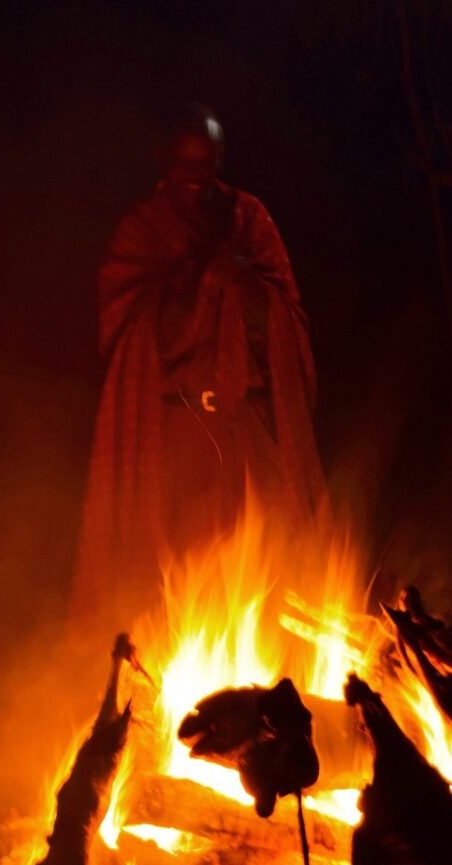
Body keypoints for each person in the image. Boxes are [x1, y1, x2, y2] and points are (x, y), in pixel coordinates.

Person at [72, 105, 326, 621]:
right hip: (177, 432)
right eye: (186, 170)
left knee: (265, 561)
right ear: (163, 164)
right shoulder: (143, 229)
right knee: (179, 573)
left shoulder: (249, 219)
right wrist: (197, 282)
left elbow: (287, 319)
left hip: (246, 430)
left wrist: (241, 284)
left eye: (207, 169)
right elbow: (128, 329)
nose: (198, 183)